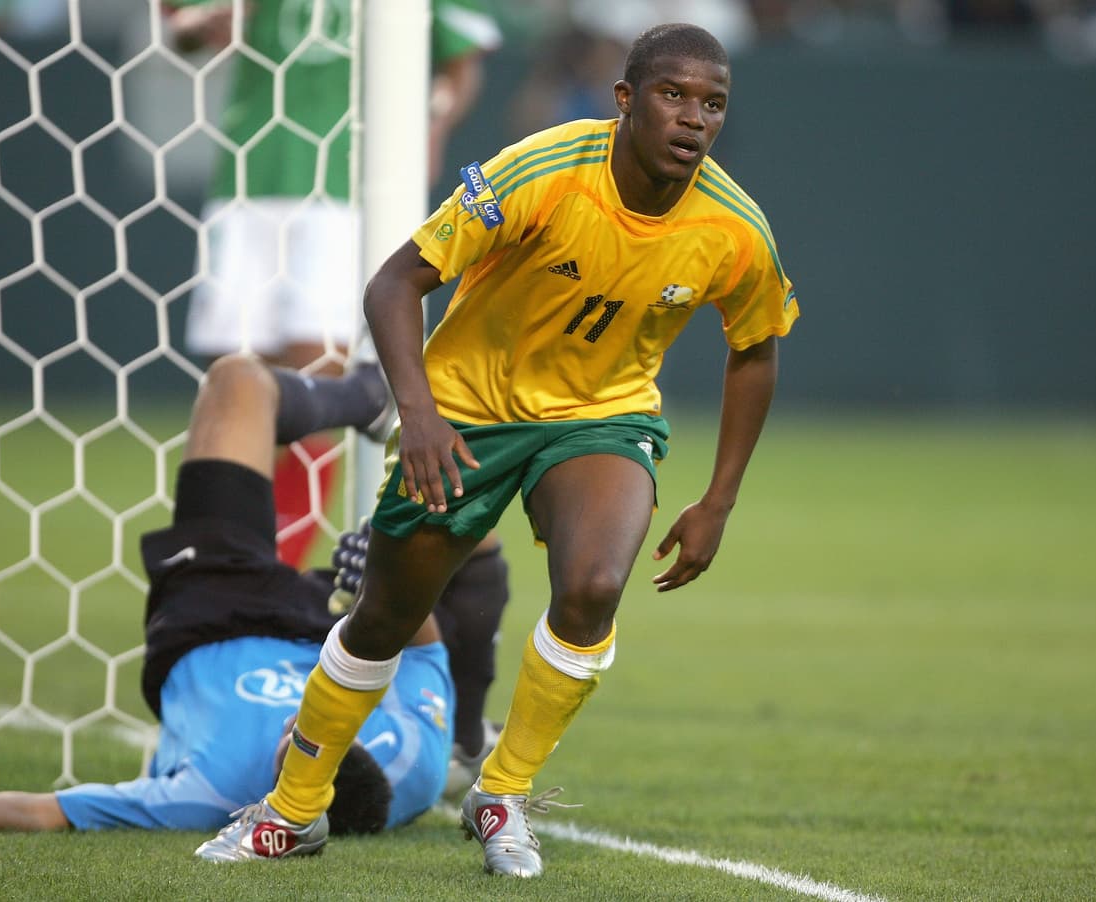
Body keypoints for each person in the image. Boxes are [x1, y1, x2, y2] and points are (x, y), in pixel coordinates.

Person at [196, 22, 800, 876]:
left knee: (593, 588)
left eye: (713, 104)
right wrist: (420, 415)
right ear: (625, 100)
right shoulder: (543, 171)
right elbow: (394, 282)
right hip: (469, 413)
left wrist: (719, 499)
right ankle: (295, 810)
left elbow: (757, 348)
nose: (694, 119)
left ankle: (501, 790)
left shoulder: (733, 227)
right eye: (673, 96)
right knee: (383, 620)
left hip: (603, 416)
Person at [0, 354, 510, 844]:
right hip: (332, 627)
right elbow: (425, 650)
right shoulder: (415, 768)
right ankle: (370, 400)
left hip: (212, 613)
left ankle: (363, 400)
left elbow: (49, 812)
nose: (302, 717)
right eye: (316, 731)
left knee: (235, 384)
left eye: (293, 743)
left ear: (283, 795)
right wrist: (385, 583)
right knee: (466, 509)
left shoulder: (210, 792)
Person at [166, 0, 502, 568]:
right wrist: (194, 26)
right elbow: (182, 26)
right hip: (247, 177)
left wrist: (432, 125)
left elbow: (459, 62)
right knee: (233, 388)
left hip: (345, 190)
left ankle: (277, 569)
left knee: (315, 379)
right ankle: (224, 567)